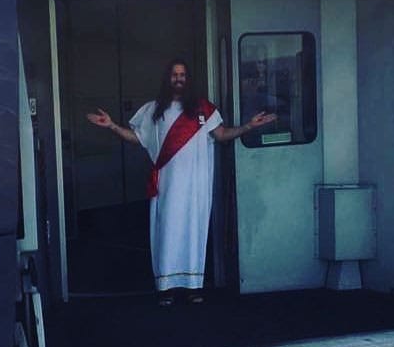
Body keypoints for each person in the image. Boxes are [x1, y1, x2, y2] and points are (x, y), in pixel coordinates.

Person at [87, 58, 275, 306]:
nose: (179, 79)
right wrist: (112, 126)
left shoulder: (204, 110)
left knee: (194, 232)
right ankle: (165, 287)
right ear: (168, 79)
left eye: (183, 75)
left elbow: (222, 135)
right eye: (175, 74)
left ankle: (193, 286)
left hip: (196, 187)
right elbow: (138, 138)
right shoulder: (154, 110)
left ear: (189, 79)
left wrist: (248, 126)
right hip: (166, 187)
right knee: (166, 233)